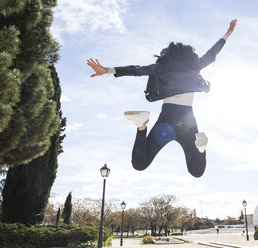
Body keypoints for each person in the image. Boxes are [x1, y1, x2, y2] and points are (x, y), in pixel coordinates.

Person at [87, 19, 237, 178]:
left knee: (139, 164)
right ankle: (201, 147)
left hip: (166, 119)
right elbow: (212, 53)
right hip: (188, 121)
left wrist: (108, 70)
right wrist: (228, 33)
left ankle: (141, 126)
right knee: (197, 171)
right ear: (187, 55)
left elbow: (137, 70)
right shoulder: (196, 65)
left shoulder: (163, 67)